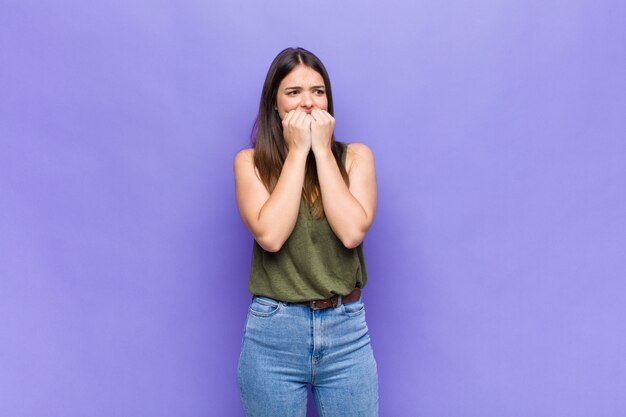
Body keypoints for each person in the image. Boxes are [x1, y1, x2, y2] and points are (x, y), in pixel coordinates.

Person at [234, 47, 379, 417]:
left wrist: (322, 153)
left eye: (317, 91)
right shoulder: (250, 163)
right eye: (293, 93)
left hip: (345, 332)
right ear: (275, 105)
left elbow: (351, 233)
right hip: (274, 336)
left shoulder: (356, 157)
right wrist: (298, 153)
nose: (309, 103)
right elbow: (271, 235)